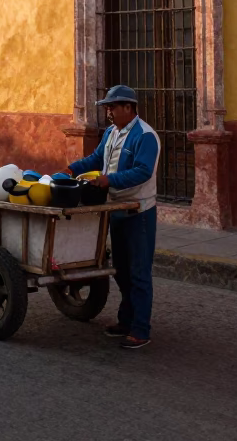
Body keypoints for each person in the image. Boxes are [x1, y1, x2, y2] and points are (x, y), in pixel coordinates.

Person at [56, 85, 161, 350]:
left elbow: (143, 172)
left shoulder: (146, 136)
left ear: (129, 107)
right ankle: (125, 321)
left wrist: (108, 180)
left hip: (139, 213)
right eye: (107, 108)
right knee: (121, 271)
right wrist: (72, 169)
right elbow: (96, 158)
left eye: (113, 107)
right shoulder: (112, 134)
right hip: (115, 210)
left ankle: (140, 330)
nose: (109, 112)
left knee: (139, 272)